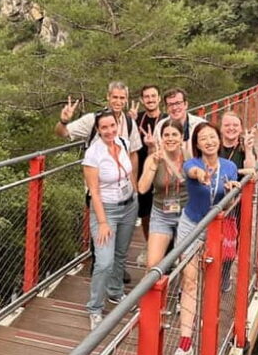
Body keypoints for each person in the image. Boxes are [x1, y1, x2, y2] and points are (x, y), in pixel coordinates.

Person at [55, 81, 142, 284]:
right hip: (98, 189)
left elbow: (134, 154)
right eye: (115, 97)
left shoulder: (129, 123)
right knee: (101, 232)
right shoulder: (92, 120)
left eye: (122, 98)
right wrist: (63, 121)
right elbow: (63, 133)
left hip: (123, 190)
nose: (118, 101)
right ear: (108, 97)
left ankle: (114, 269)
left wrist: (134, 184)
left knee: (120, 231)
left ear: (126, 100)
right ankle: (101, 268)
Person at [170, 122, 240, 355]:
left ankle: (209, 332)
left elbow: (230, 200)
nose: (209, 141)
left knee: (212, 282)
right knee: (189, 281)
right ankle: (185, 343)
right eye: (203, 139)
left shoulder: (230, 166)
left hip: (216, 228)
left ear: (219, 141)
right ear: (197, 145)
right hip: (191, 225)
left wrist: (232, 191)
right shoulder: (193, 163)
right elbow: (191, 172)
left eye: (212, 137)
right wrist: (201, 175)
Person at [82, 111, 138, 330]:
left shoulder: (122, 142)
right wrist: (103, 222)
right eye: (104, 127)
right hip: (106, 210)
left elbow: (129, 171)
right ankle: (94, 307)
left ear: (117, 125)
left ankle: (115, 292)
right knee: (104, 261)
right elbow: (94, 191)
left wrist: (135, 192)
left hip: (128, 205)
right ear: (98, 129)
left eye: (112, 126)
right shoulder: (93, 154)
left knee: (120, 254)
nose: (109, 131)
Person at [137, 119, 188, 269]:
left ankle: (183, 291)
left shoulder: (189, 157)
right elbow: (142, 188)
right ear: (161, 138)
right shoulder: (153, 160)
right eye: (166, 135)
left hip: (186, 214)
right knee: (153, 266)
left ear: (181, 137)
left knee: (187, 265)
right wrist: (153, 164)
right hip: (161, 214)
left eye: (174, 134)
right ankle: (154, 292)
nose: (170, 138)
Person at [218, 111, 257, 292]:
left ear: (241, 128)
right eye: (227, 125)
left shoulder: (243, 148)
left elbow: (253, 172)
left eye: (235, 125)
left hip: (236, 203)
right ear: (221, 127)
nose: (231, 128)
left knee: (232, 239)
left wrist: (249, 149)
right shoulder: (214, 145)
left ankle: (224, 273)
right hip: (214, 199)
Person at [129, 85, 167, 267]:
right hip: (143, 174)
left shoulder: (167, 120)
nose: (150, 100)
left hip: (163, 173)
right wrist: (129, 122)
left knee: (163, 211)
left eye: (153, 96)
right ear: (143, 100)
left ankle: (166, 249)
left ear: (159, 98)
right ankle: (149, 245)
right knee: (145, 214)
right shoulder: (138, 121)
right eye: (147, 97)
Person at [153, 88, 205, 158]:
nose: (174, 108)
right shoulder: (160, 127)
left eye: (178, 103)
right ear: (166, 108)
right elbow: (155, 153)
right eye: (170, 104)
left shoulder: (200, 125)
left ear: (186, 104)